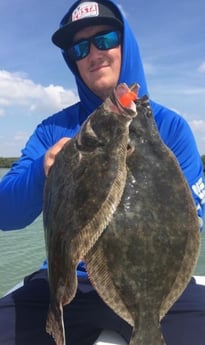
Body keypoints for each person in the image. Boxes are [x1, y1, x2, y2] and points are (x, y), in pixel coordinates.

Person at [0, 0, 205, 344]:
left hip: (153, 291)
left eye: (105, 39)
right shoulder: (54, 131)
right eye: (80, 47)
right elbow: (5, 212)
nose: (94, 53)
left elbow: (193, 219)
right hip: (69, 286)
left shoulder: (169, 128)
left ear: (127, 44)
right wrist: (42, 172)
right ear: (73, 61)